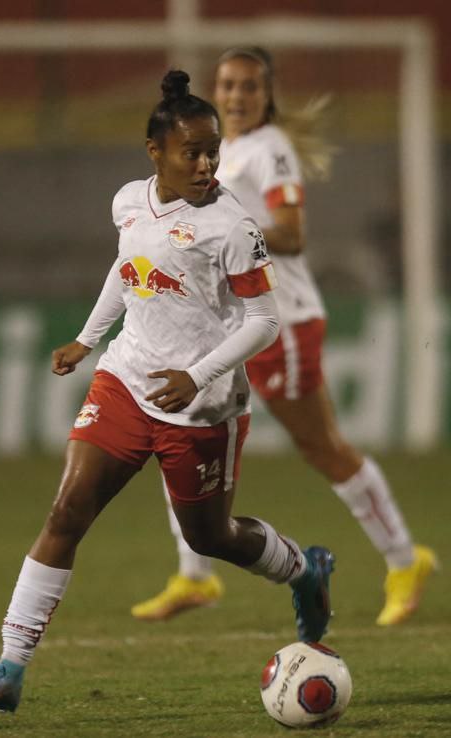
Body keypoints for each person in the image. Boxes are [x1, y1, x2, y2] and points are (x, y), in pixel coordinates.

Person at [0, 69, 334, 714]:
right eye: (193, 152)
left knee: (210, 538)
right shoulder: (129, 199)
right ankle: (9, 668)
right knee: (66, 513)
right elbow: (129, 267)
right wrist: (88, 338)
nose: (207, 163)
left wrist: (198, 376)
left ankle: (304, 569)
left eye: (213, 150)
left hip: (202, 408)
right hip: (126, 381)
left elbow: (264, 320)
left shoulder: (233, 228)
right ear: (155, 152)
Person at [131, 47, 437, 628]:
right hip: (228, 322)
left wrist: (223, 232)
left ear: (267, 95)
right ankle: (193, 576)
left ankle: (404, 560)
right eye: (228, 84)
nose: (237, 95)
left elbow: (292, 236)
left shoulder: (269, 150)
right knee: (175, 431)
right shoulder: (223, 153)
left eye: (249, 86)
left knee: (321, 445)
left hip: (282, 321)